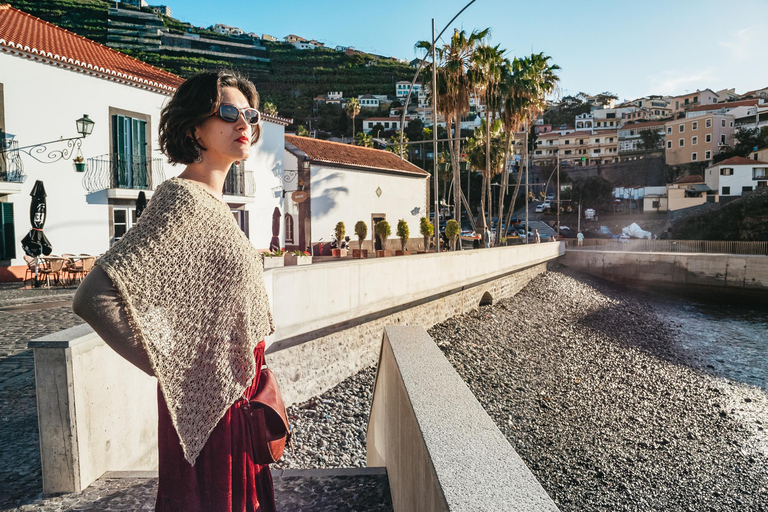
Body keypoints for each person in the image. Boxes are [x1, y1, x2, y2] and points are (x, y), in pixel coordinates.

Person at [72, 70, 277, 512]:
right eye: (227, 112)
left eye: (250, 114)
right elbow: (93, 297)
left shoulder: (215, 204)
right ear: (193, 128)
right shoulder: (183, 200)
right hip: (211, 408)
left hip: (233, 402)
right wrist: (178, 369)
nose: (244, 123)